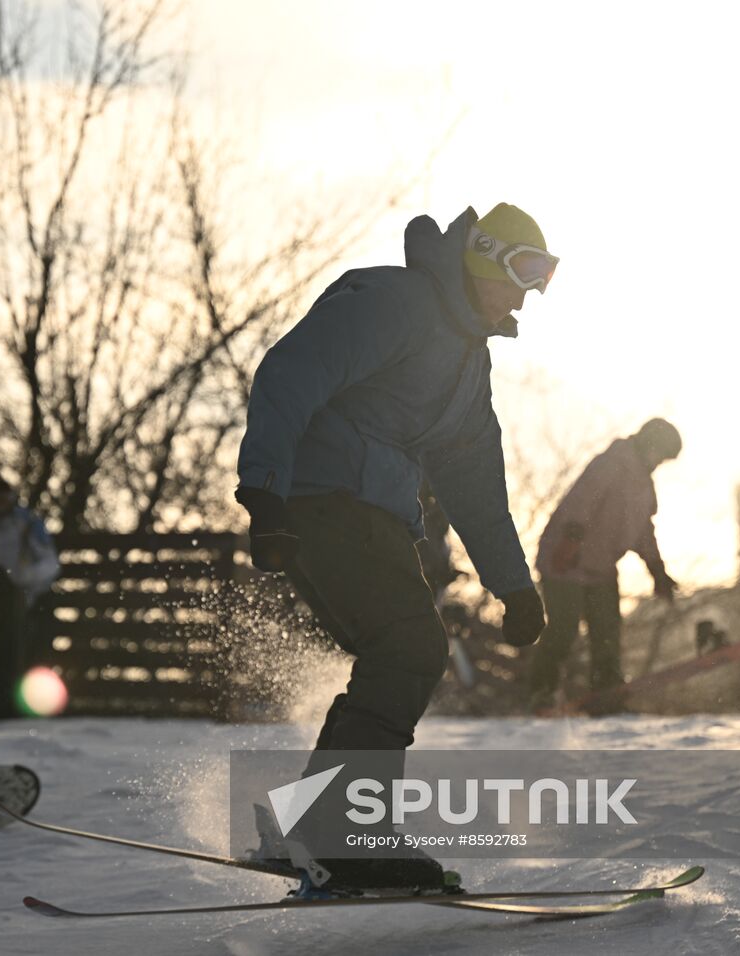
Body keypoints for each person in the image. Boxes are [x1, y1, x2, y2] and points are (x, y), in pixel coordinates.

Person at [235, 203, 554, 891]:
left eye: (540, 279)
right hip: (319, 500)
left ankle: (324, 826)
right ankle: (342, 834)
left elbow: (475, 483)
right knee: (410, 646)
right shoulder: (395, 302)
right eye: (522, 271)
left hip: (373, 516)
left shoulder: (469, 362)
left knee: (401, 651)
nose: (526, 292)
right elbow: (290, 374)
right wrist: (263, 491)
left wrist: (515, 585)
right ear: (482, 255)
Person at [528, 418, 681, 712]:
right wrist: (570, 540)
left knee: (608, 633)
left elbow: (643, 531)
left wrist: (657, 571)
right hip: (565, 561)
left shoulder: (644, 486)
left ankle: (606, 692)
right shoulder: (611, 463)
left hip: (601, 568)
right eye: (660, 455)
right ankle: (542, 691)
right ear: (650, 444)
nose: (659, 462)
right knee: (563, 629)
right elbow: (582, 500)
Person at [0, 478, 61, 609]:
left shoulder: (29, 525)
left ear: (10, 498)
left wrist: (23, 578)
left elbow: (52, 565)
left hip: (32, 600)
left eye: (0, 498)